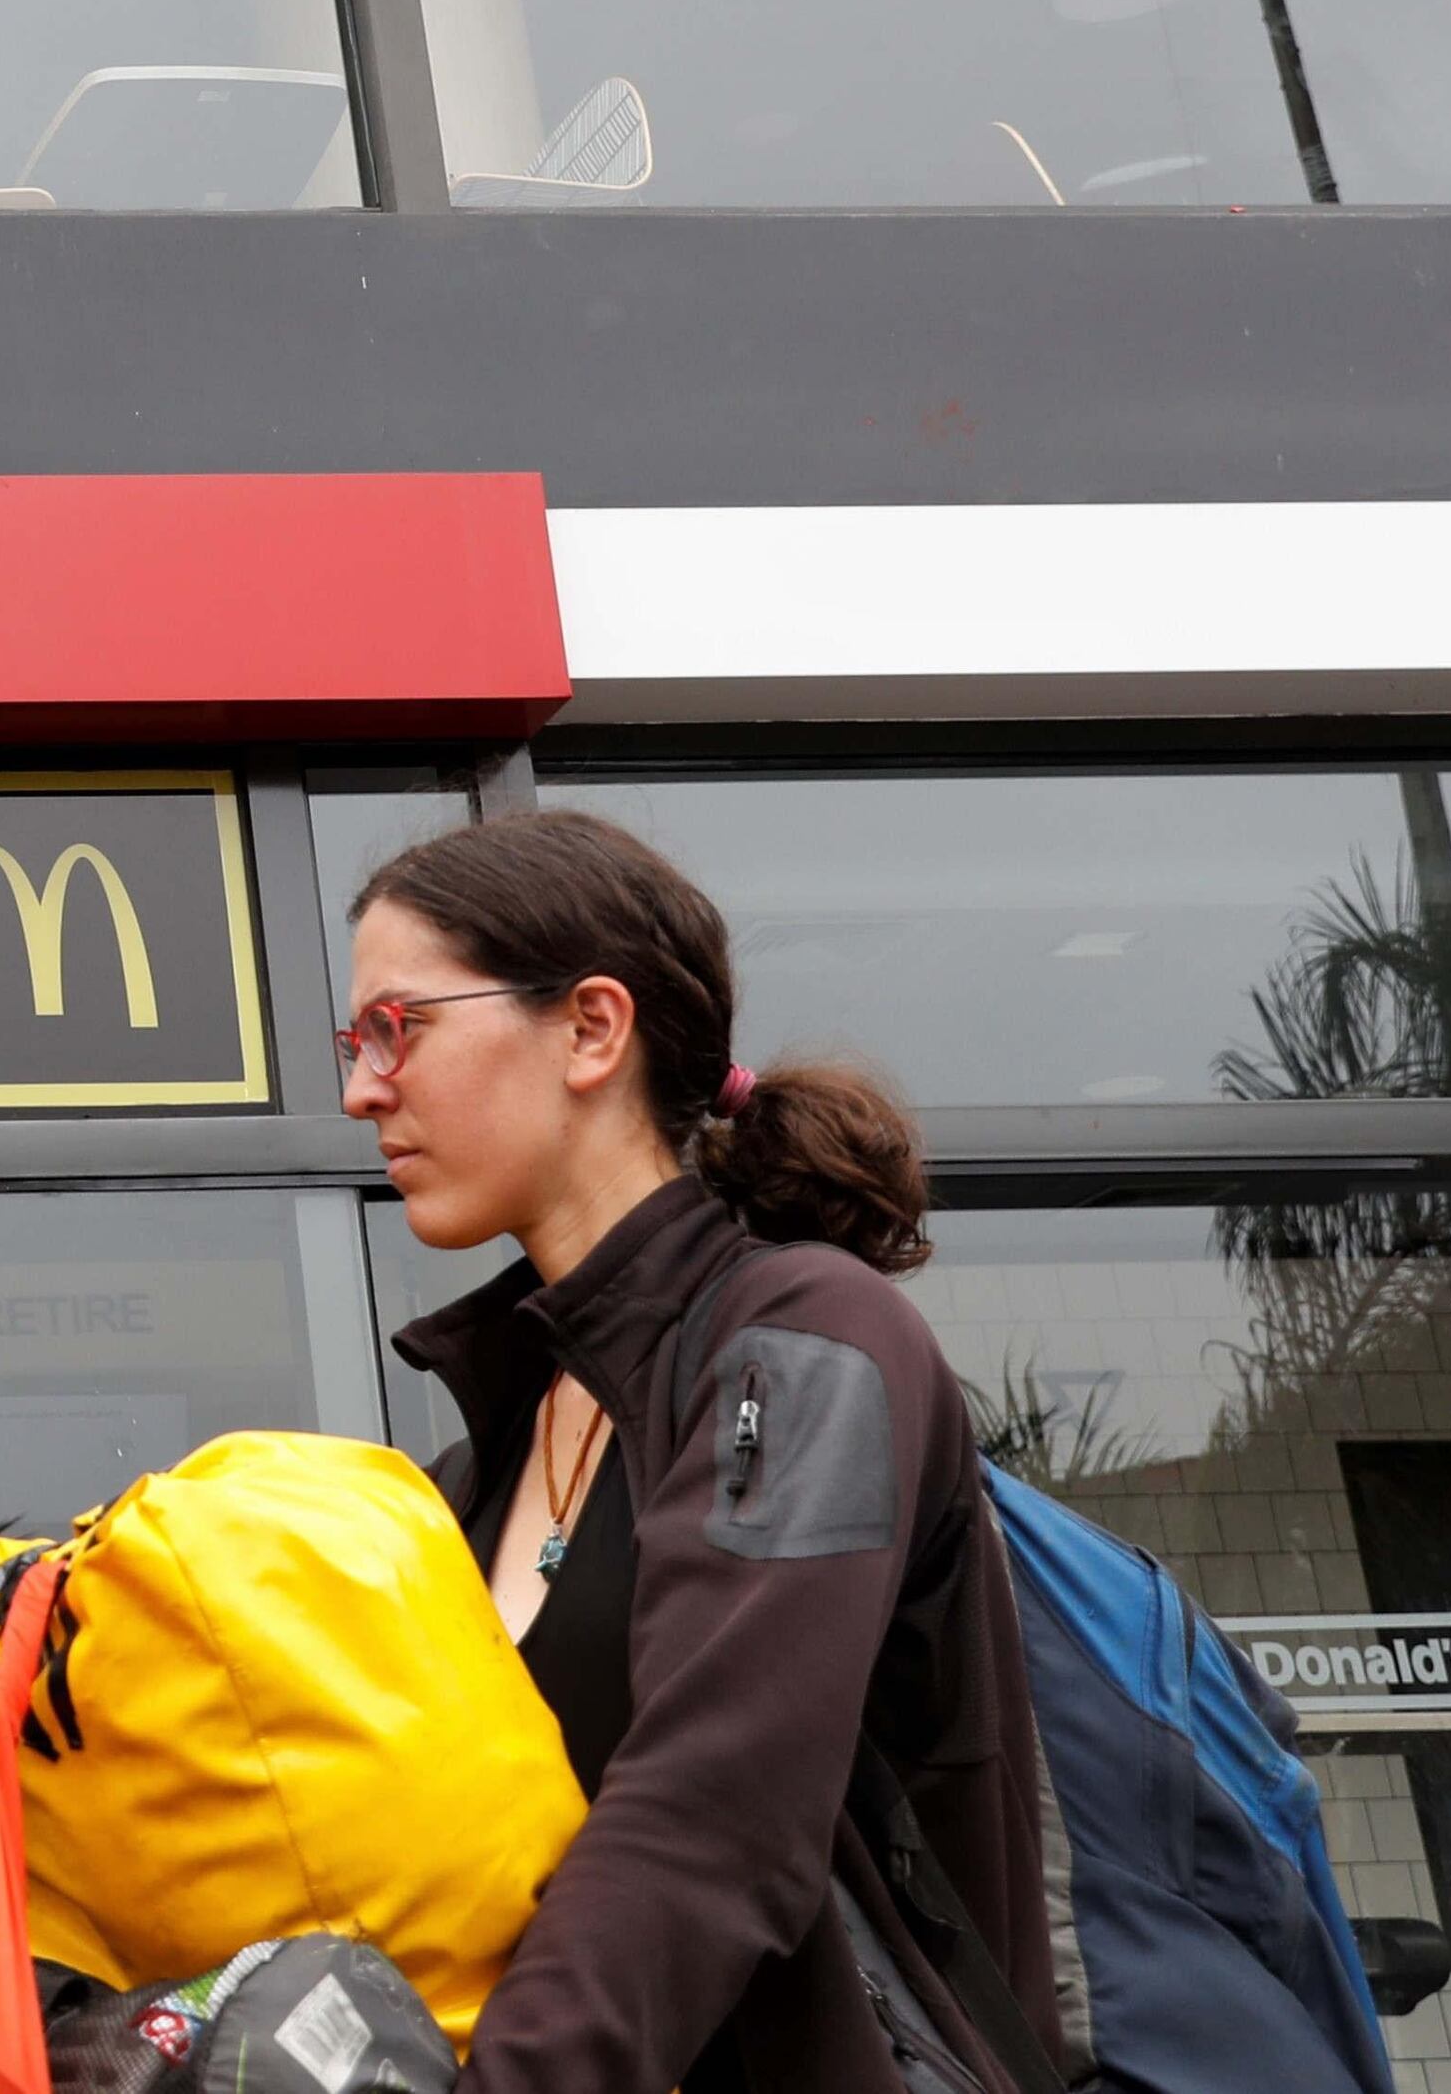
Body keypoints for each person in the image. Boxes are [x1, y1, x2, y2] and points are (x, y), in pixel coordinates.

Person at [342, 812, 1061, 2094]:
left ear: (589, 1029)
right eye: (352, 1044)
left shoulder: (808, 1343)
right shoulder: (485, 1464)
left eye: (399, 1028)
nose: (361, 1087)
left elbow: (715, 1811)